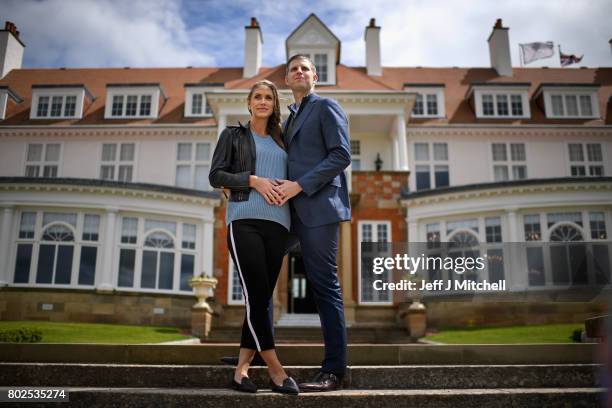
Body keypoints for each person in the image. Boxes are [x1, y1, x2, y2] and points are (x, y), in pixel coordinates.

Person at [208, 80, 299, 395]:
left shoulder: (283, 140)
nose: (263, 102)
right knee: (258, 297)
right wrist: (253, 181)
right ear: (249, 103)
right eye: (257, 97)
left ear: (274, 105)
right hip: (244, 220)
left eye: (268, 98)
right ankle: (276, 370)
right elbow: (216, 176)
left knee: (259, 298)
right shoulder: (233, 136)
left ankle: (242, 370)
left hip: (279, 226)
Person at [273, 54, 352, 392]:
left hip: (319, 207)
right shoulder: (290, 119)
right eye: (294, 69)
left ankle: (334, 370)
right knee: (260, 269)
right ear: (287, 80)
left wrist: (300, 185)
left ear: (314, 76)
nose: (300, 72)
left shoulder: (326, 106)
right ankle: (256, 350)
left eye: (305, 68)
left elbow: (341, 155)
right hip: (289, 211)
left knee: (324, 286)